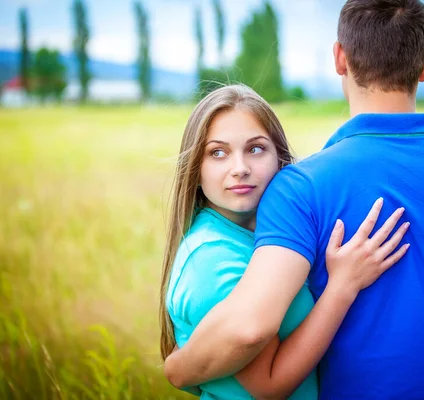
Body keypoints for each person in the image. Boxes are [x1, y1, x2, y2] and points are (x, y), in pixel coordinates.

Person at [163, 0, 424, 399]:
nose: (240, 167)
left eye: (255, 150)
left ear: (340, 57)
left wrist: (180, 368)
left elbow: (251, 329)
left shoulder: (299, 189)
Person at [159, 84, 410, 399]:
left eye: (255, 149)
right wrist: (342, 286)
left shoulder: (268, 238)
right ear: (195, 170)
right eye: (218, 153)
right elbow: (269, 386)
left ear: (280, 158)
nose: (240, 169)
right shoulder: (212, 260)